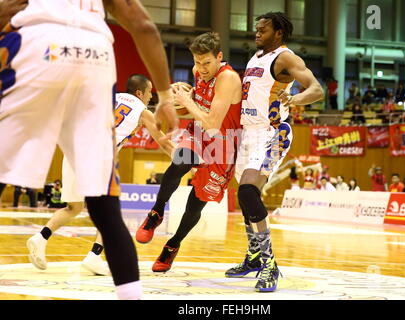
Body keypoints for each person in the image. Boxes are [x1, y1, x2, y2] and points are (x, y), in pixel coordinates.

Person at [0, 0, 177, 300]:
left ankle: (69, 246)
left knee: (67, 204)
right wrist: (166, 97)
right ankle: (127, 291)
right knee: (105, 209)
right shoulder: (140, 107)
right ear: (141, 92)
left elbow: (8, 7)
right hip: (96, 55)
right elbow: (144, 26)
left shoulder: (125, 99)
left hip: (36, 43)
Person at [26, 74, 174, 277]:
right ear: (139, 93)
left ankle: (40, 238)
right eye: (149, 92)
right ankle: (94, 257)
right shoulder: (142, 110)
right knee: (110, 213)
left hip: (73, 149)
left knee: (73, 207)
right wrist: (184, 161)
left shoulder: (109, 97)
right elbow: (163, 142)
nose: (150, 97)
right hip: (97, 155)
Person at [225, 12, 323, 292]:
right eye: (256, 29)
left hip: (273, 133)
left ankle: (270, 264)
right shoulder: (255, 58)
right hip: (247, 133)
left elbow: (317, 89)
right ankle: (254, 256)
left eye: (263, 30)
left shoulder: (286, 58)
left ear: (278, 32)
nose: (257, 33)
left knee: (247, 192)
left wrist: (294, 98)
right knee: (244, 198)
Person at [135, 32, 242, 273]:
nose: (201, 69)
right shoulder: (197, 74)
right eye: (196, 62)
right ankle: (156, 212)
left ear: (219, 57)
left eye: (207, 63)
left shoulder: (228, 79)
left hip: (223, 144)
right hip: (199, 135)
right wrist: (178, 103)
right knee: (179, 162)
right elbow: (195, 112)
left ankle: (172, 246)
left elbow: (214, 123)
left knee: (196, 204)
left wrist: (186, 99)